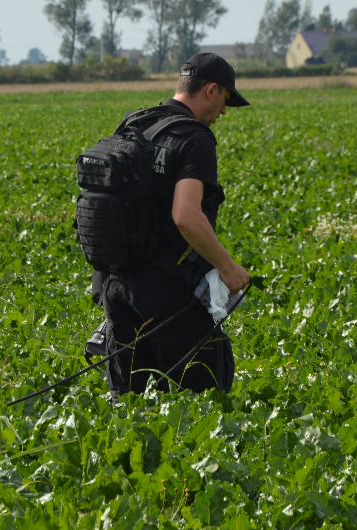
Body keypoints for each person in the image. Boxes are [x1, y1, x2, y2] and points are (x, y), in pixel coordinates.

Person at [86, 53, 251, 404]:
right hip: (164, 291)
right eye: (225, 100)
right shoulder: (195, 139)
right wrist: (228, 268)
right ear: (211, 90)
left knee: (128, 405)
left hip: (115, 288)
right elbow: (186, 216)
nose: (224, 111)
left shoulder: (135, 123)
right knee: (205, 399)